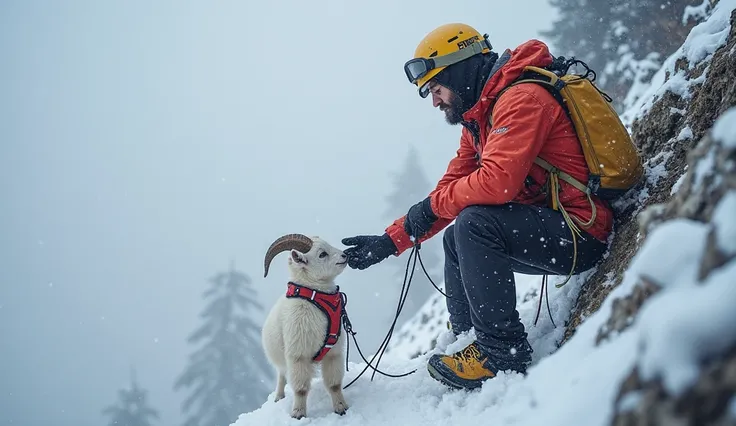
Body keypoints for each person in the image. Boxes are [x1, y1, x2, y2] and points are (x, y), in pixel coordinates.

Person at [341, 23, 612, 390]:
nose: (435, 101)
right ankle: (468, 338)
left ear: (459, 72)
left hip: (584, 232)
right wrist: (391, 242)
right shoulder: (480, 121)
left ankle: (502, 352)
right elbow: (450, 189)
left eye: (436, 89)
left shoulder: (521, 100)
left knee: (474, 224)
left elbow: (497, 183)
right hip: (555, 227)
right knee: (457, 235)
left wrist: (433, 206)